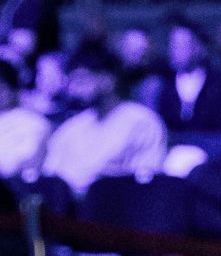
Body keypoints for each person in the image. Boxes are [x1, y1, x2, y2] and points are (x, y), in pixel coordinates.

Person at [42, 45, 167, 196]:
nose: (74, 90)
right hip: (65, 205)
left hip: (113, 205)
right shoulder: (71, 127)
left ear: (108, 80)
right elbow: (50, 177)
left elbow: (145, 184)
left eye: (81, 80)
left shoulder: (143, 123)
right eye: (72, 81)